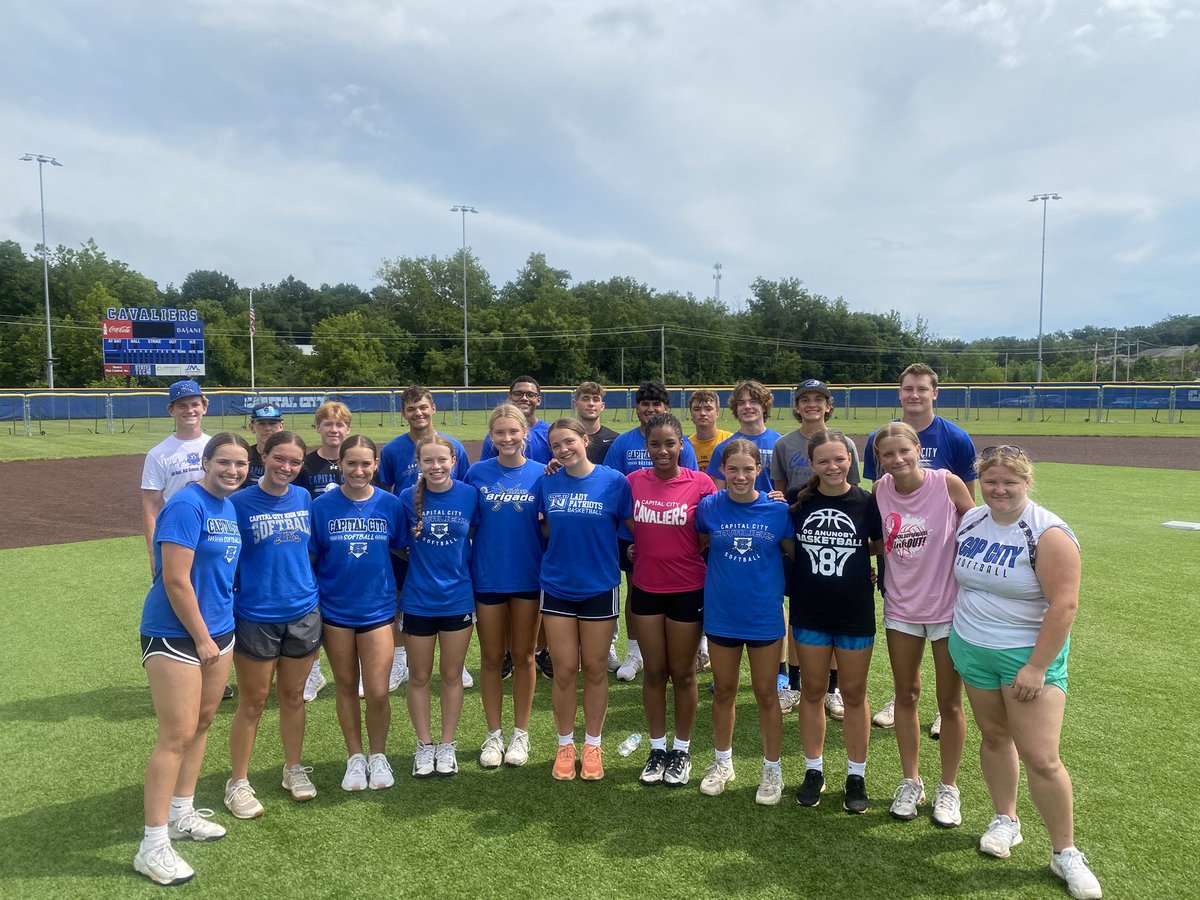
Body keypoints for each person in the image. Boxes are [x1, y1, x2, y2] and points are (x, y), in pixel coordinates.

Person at [951, 446, 1101, 899]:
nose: (999, 490)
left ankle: (1065, 852)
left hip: (1026, 656)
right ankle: (1005, 819)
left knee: (1041, 756)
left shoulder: (1048, 532)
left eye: (1009, 482)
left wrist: (1037, 667)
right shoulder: (972, 520)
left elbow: (1064, 605)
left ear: (1026, 482)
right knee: (994, 737)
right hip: (973, 648)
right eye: (991, 481)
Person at [134, 432, 248, 886]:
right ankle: (152, 844)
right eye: (224, 462)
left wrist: (217, 635)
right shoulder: (186, 504)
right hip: (176, 633)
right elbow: (175, 580)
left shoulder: (229, 507)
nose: (233, 471)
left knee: (202, 724)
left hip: (219, 631)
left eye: (241, 464)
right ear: (205, 461)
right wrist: (202, 638)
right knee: (175, 735)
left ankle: (182, 812)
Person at [863, 363, 977, 733]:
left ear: (934, 393)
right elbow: (878, 509)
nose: (914, 394)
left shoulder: (955, 440)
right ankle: (900, 700)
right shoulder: (879, 445)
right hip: (902, 574)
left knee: (949, 683)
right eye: (908, 388)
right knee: (905, 674)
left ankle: (946, 710)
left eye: (921, 389)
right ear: (900, 393)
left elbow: (970, 517)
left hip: (943, 578)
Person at [871, 423, 975, 827]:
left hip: (948, 609)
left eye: (904, 451)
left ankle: (948, 788)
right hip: (901, 609)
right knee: (906, 696)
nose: (897, 460)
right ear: (879, 458)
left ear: (918, 449)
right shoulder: (881, 490)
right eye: (888, 454)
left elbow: (977, 526)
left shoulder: (946, 484)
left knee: (949, 703)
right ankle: (911, 781)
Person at [225, 431, 322, 819]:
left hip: (302, 610)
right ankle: (238, 781)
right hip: (255, 614)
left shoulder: (304, 497)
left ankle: (293, 767)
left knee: (294, 697)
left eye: (295, 462)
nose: (286, 467)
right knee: (253, 701)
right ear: (263, 455)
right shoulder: (237, 502)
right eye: (279, 459)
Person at [789, 430, 883, 814]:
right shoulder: (799, 504)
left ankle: (855, 775)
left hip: (854, 611)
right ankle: (814, 770)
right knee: (812, 691)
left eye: (839, 459)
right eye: (824, 461)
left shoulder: (867, 502)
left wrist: (865, 570)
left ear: (850, 461)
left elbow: (877, 545)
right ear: (811, 464)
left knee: (854, 694)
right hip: (809, 610)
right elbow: (787, 545)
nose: (832, 467)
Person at [694, 439, 793, 805]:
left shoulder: (777, 511)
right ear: (722, 470)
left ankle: (772, 769)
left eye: (747, 469)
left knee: (767, 694)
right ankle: (723, 763)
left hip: (764, 615)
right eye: (732, 469)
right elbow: (699, 542)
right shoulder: (708, 508)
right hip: (722, 614)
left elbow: (793, 555)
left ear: (758, 471)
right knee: (724, 691)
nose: (739, 476)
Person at [538, 418, 632, 782]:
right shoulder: (546, 481)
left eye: (569, 442)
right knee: (563, 671)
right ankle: (565, 745)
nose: (563, 450)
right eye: (556, 445)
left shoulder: (614, 481)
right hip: (557, 586)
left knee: (594, 668)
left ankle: (592, 744)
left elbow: (629, 526)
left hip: (599, 586)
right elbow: (542, 526)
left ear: (585, 439)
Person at [626, 413, 716, 787]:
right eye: (654, 444)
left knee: (683, 673)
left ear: (682, 445)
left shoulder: (700, 483)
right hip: (646, 589)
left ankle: (681, 749)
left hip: (687, 589)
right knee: (654, 672)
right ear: (646, 446)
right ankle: (657, 747)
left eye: (670, 444)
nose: (662, 451)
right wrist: (643, 546)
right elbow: (623, 517)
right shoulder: (631, 482)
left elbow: (715, 527)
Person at [310, 435, 404, 793]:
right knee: (346, 686)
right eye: (352, 463)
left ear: (376, 465)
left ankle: (378, 755)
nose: (359, 470)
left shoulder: (390, 505)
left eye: (366, 464)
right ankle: (355, 757)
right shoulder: (322, 507)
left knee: (377, 691)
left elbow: (399, 551)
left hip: (378, 609)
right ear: (340, 464)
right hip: (335, 610)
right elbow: (313, 557)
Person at [771, 379, 862, 720]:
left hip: (835, 536)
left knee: (836, 612)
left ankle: (833, 688)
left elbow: (852, 493)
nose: (811, 404)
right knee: (800, 614)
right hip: (800, 539)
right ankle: (794, 683)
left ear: (828, 404)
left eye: (818, 399)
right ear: (796, 406)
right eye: (804, 399)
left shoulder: (844, 442)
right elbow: (781, 499)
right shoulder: (784, 444)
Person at [465, 404, 545, 769]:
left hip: (528, 577)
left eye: (513, 432)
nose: (507, 439)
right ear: (491, 436)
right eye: (500, 433)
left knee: (526, 655)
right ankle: (493, 733)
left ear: (524, 432)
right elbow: (467, 524)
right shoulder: (477, 472)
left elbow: (549, 525)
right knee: (493, 659)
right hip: (489, 577)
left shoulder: (543, 474)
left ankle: (521, 733)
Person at [379, 386, 472, 695]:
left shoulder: (454, 445)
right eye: (411, 408)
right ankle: (401, 659)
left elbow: (465, 491)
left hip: (449, 545)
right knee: (404, 596)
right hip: (415, 535)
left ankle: (456, 664)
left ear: (433, 408)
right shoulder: (393, 450)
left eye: (422, 406)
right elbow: (383, 492)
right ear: (403, 413)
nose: (418, 413)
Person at [604, 381, 699, 681]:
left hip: (674, 534)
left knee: (679, 593)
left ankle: (689, 648)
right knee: (636, 591)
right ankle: (635, 651)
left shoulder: (683, 445)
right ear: (637, 408)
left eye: (657, 403)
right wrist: (641, 532)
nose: (651, 408)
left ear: (666, 408)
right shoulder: (623, 443)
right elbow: (615, 489)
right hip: (633, 533)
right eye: (645, 403)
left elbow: (694, 489)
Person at [397, 435, 480, 778]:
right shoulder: (405, 498)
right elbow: (400, 547)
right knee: (418, 677)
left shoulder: (469, 494)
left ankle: (447, 746)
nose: (436, 467)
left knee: (450, 676)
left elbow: (478, 535)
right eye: (428, 461)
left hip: (457, 599)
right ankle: (424, 745)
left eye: (442, 460)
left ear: (454, 462)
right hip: (418, 600)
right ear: (419, 464)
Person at [297, 400, 352, 702]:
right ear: (317, 427)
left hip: (350, 542)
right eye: (328, 424)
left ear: (348, 428)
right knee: (313, 605)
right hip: (315, 544)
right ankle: (314, 669)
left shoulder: (356, 459)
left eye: (340, 424)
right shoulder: (306, 465)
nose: (334, 429)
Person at [141, 380, 211, 577]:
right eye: (182, 405)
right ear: (171, 410)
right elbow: (151, 506)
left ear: (204, 407)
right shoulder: (158, 454)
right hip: (176, 534)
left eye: (195, 404)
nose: (189, 410)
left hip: (214, 529)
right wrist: (153, 553)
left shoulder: (217, 446)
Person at [706, 380, 782, 493]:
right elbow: (718, 494)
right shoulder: (724, 448)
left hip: (771, 508)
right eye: (741, 403)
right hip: (736, 509)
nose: (747, 406)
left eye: (753, 401)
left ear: (764, 406)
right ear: (735, 408)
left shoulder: (780, 443)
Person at [480, 376, 553, 464]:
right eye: (518, 394)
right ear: (509, 398)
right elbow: (486, 471)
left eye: (530, 395)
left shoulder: (549, 433)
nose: (524, 398)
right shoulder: (497, 437)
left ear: (538, 400)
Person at [686, 389, 732, 474]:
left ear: (717, 413)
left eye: (708, 409)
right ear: (691, 414)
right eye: (697, 409)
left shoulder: (729, 440)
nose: (703, 413)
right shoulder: (686, 446)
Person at [240, 404, 285, 490]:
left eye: (272, 423)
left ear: (281, 426)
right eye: (261, 424)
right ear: (252, 427)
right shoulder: (244, 455)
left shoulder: (290, 457)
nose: (267, 428)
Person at [574, 380, 620, 464]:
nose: (591, 404)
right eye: (585, 399)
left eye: (596, 399)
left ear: (602, 406)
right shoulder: (567, 438)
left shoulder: (615, 439)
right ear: (576, 405)